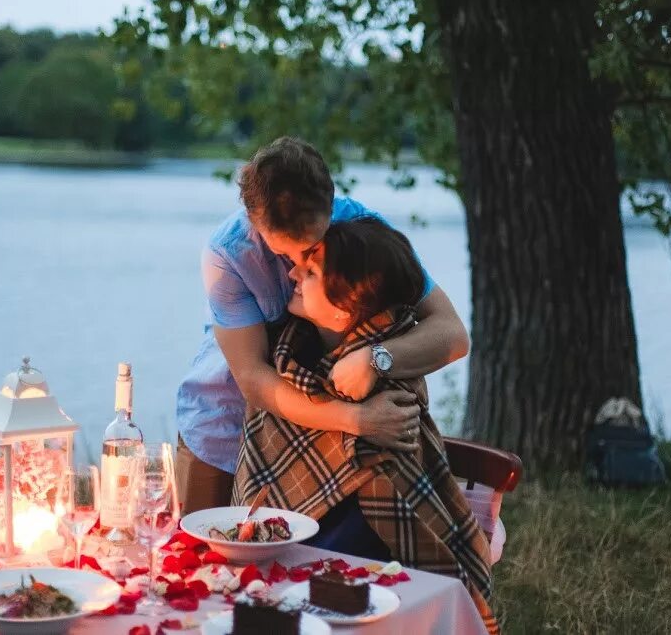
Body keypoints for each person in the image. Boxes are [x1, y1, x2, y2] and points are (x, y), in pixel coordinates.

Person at [174, 136, 469, 513]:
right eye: (283, 251)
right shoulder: (226, 255)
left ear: (331, 206)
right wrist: (356, 419)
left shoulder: (364, 233)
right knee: (204, 561)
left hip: (313, 444)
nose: (296, 265)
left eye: (313, 248)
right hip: (221, 428)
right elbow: (252, 378)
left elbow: (453, 334)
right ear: (253, 220)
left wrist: (377, 358)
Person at [231, 217, 497, 632]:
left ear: (344, 308)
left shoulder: (390, 394)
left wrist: (373, 361)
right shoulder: (289, 355)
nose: (292, 272)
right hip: (283, 545)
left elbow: (383, 511)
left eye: (312, 271)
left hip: (366, 553)